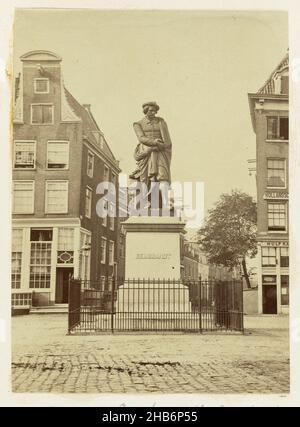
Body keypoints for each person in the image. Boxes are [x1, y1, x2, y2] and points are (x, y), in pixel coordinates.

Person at [130, 102, 172, 188]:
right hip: (146, 151)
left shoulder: (161, 121)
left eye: (155, 111)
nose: (154, 113)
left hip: (160, 150)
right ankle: (144, 199)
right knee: (144, 179)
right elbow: (141, 138)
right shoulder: (138, 124)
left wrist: (161, 145)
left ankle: (164, 201)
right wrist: (155, 142)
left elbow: (167, 139)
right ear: (145, 111)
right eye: (151, 111)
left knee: (163, 176)